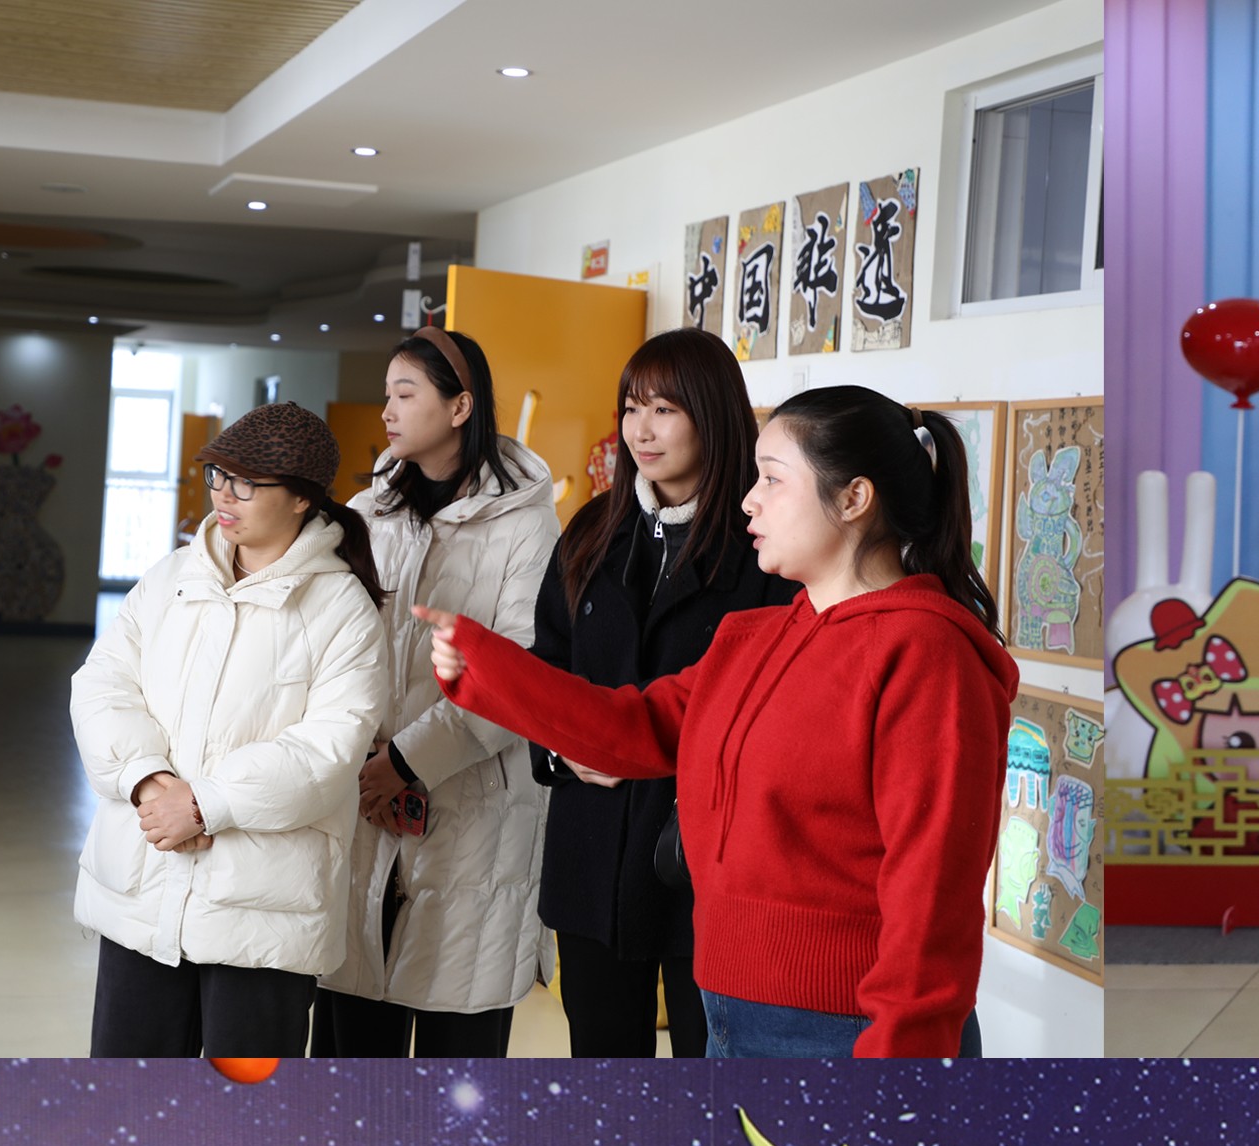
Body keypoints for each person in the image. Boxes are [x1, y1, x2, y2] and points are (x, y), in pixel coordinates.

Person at [426, 387, 1015, 1058]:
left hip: (848, 1028)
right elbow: (634, 728)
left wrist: (901, 1064)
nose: (748, 501)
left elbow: (933, 895)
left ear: (854, 498)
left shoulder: (929, 655)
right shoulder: (756, 637)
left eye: (772, 480)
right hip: (728, 1009)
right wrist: (487, 666)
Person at [66, 402, 391, 1055]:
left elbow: (328, 749)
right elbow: (102, 684)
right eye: (218, 476)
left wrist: (204, 804)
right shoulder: (171, 579)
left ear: (302, 498)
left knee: (244, 1105)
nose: (223, 495)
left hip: (262, 915)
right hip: (143, 888)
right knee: (129, 1096)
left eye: (246, 483)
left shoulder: (342, 610)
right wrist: (148, 780)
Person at [526, 330, 790, 1058]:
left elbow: (777, 704)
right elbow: (549, 669)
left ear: (713, 415)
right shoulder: (593, 530)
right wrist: (563, 750)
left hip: (703, 859)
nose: (641, 430)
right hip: (592, 851)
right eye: (632, 407)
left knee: (712, 1067)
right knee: (602, 1062)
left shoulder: (762, 544)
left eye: (665, 410)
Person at [318, 327, 557, 1055]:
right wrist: (367, 761)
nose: (386, 410)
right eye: (386, 394)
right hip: (366, 795)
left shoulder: (526, 524)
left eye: (405, 393)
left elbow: (518, 669)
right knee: (354, 1039)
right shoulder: (368, 512)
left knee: (459, 1046)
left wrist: (407, 761)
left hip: (474, 806)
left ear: (460, 408)